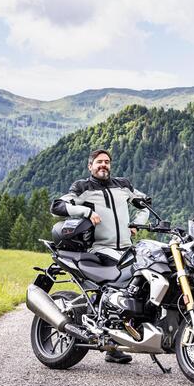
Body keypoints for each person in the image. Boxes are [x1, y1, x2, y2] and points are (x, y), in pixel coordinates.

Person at [50, 148, 151, 364]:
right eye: (99, 162)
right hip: (100, 248)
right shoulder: (82, 187)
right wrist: (85, 212)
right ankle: (109, 340)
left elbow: (145, 202)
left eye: (106, 162)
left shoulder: (123, 185)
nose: (103, 165)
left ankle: (122, 337)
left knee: (144, 278)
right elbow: (57, 206)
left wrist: (138, 222)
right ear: (90, 166)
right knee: (125, 280)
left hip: (126, 248)